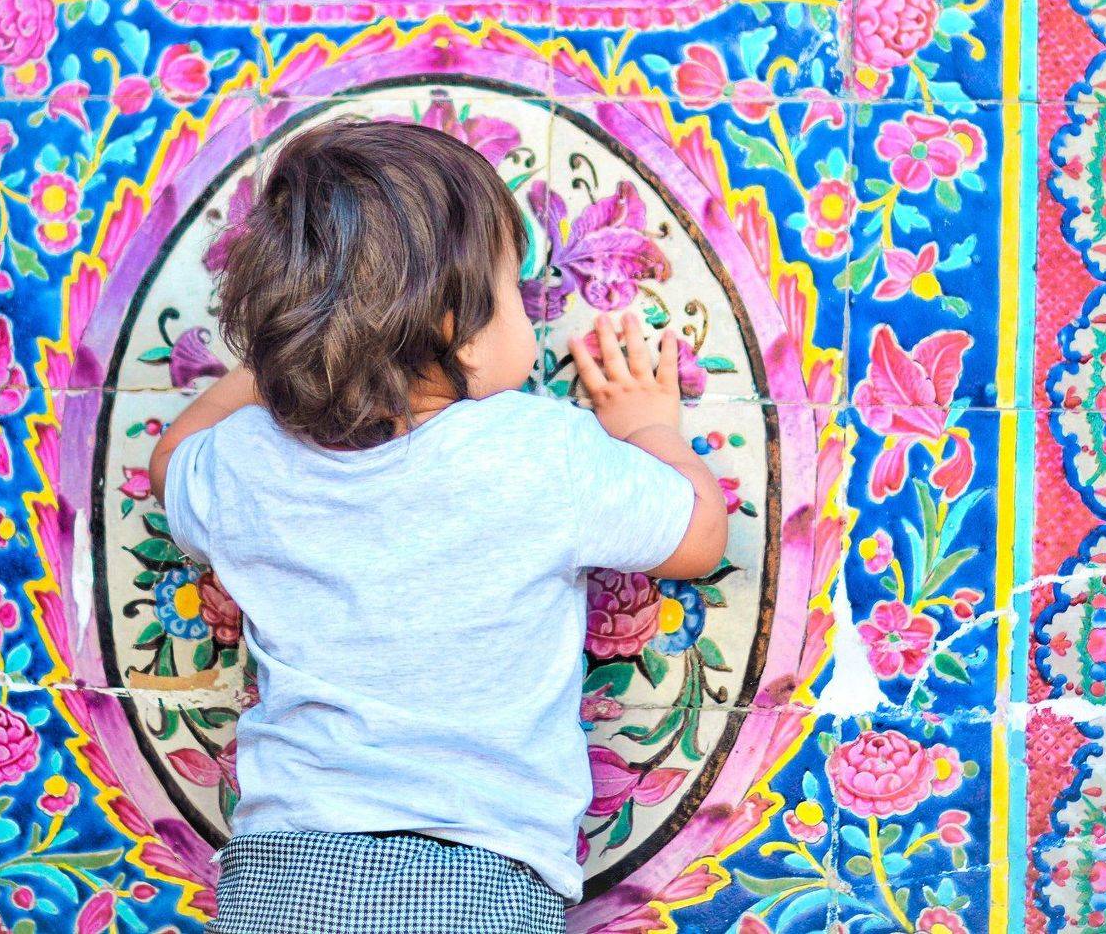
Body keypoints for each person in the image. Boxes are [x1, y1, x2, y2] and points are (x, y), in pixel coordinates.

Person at [149, 117, 729, 934]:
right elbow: (700, 536)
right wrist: (647, 426)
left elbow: (169, 459)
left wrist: (288, 359)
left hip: (281, 880)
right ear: (459, 329)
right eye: (513, 289)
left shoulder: (245, 461)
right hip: (478, 880)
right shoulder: (540, 450)